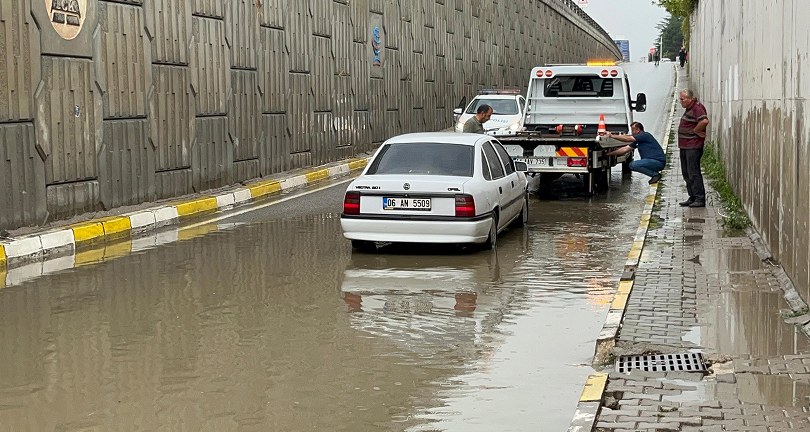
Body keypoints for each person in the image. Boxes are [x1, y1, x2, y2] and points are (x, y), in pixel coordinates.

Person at [677, 89, 710, 207]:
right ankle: (692, 196)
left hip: (693, 146)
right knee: (686, 172)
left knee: (693, 172)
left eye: (682, 99)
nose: (680, 101)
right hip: (685, 146)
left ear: (690, 99)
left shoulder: (697, 108)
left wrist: (696, 130)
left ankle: (700, 199)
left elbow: (704, 121)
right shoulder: (690, 108)